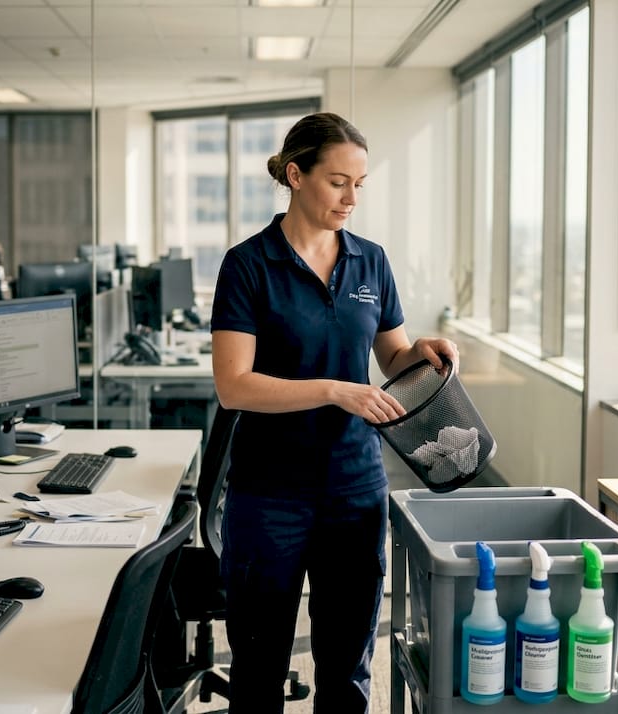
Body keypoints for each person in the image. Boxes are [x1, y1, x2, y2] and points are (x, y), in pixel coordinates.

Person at [209, 112, 458, 713]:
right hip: (269, 494)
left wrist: (420, 352)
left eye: (359, 185)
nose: (351, 198)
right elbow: (233, 386)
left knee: (347, 671)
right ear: (296, 176)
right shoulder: (247, 265)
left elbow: (391, 354)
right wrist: (334, 390)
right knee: (258, 668)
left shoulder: (371, 261)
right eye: (338, 182)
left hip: (353, 487)